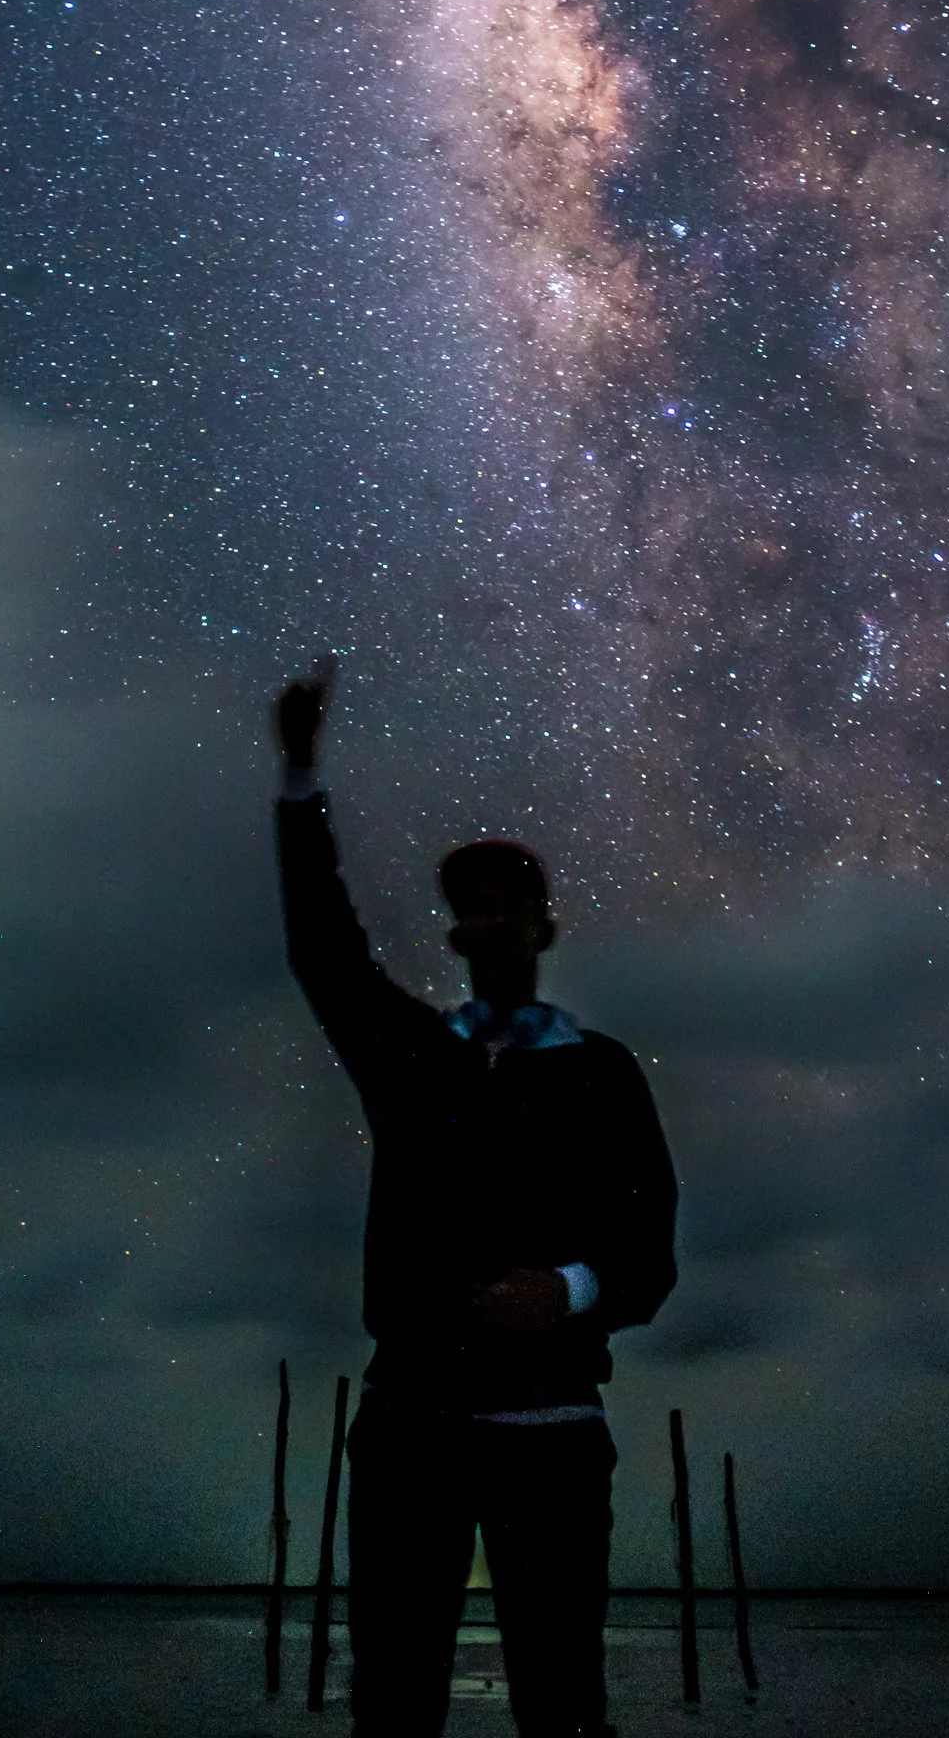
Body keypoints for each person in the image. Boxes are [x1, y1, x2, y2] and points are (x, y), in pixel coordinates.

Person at [273, 668, 677, 1738]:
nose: (491, 924)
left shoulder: (601, 1071)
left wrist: (569, 1289)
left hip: (552, 1436)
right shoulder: (411, 1058)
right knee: (393, 1708)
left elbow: (649, 1256)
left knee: (561, 1707)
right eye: (472, 910)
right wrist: (298, 781)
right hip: (410, 1428)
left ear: (543, 931)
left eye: (512, 908)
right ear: (454, 940)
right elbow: (323, 946)